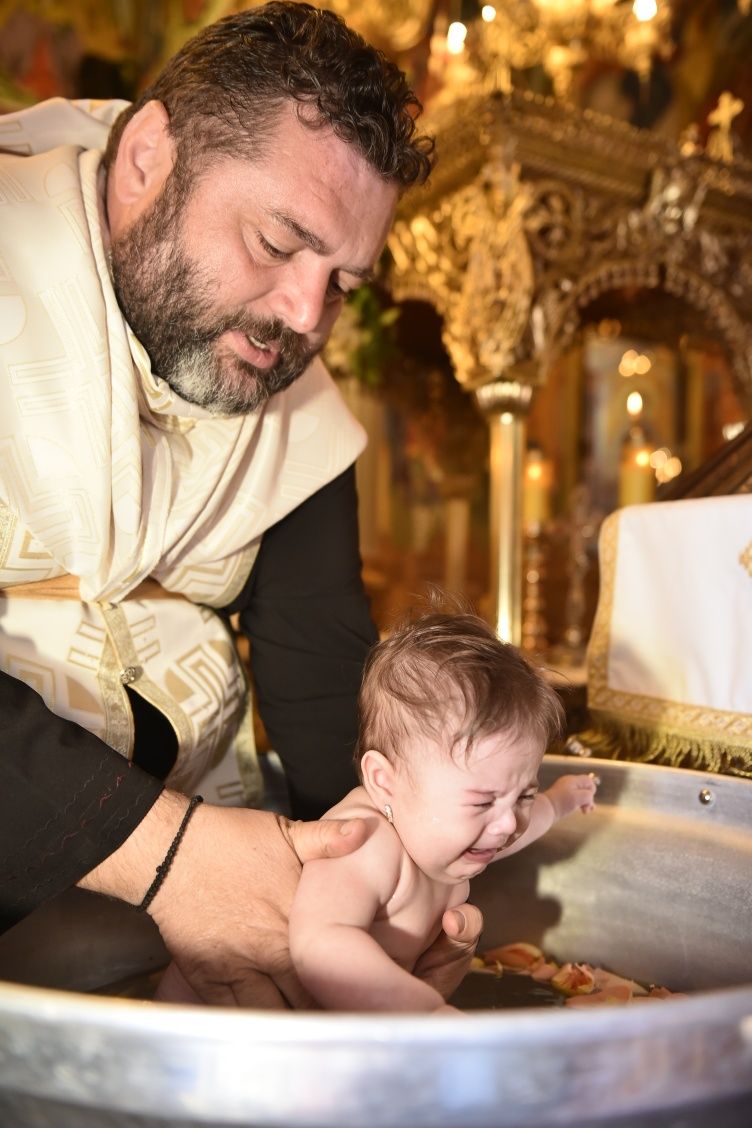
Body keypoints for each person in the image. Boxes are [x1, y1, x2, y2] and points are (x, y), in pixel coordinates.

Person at [0, 2, 482, 1007]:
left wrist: (373, 882)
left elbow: (320, 690)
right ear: (146, 159)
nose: (305, 317)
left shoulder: (292, 401)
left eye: (341, 281)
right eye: (276, 241)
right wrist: (173, 863)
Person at [288, 608, 598, 1012]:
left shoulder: (456, 836)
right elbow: (319, 943)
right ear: (385, 781)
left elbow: (515, 831)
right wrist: (425, 1012)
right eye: (483, 801)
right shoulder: (366, 839)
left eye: (523, 794)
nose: (507, 823)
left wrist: (558, 802)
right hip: (244, 1029)